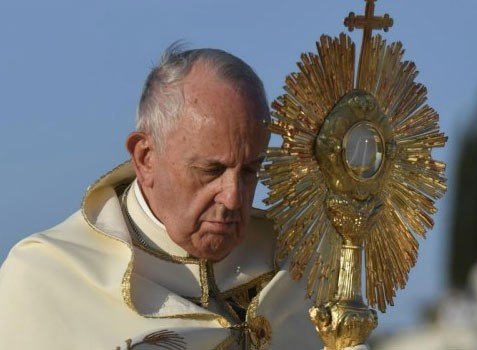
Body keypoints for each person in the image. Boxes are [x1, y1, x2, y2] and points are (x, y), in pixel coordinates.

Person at [0, 44, 335, 349]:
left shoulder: (298, 272)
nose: (233, 198)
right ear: (146, 157)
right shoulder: (47, 281)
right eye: (211, 170)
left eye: (250, 170)